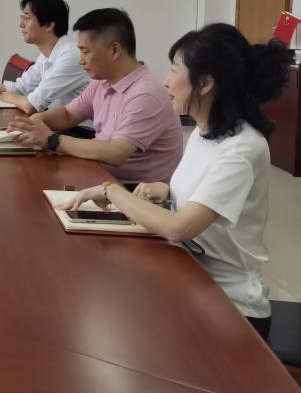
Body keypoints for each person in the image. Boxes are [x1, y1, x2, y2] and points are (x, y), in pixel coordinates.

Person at [57, 24, 291, 339]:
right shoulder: (205, 131)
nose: (166, 80)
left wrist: (111, 191)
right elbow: (206, 198)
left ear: (205, 83)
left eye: (174, 69)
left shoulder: (241, 149)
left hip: (230, 306)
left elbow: (179, 228)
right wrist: (166, 189)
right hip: (191, 275)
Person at [13, 8, 183, 185]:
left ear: (115, 50)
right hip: (99, 176)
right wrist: (36, 122)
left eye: (85, 52)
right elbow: (68, 114)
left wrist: (51, 139)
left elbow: (116, 152)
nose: (81, 60)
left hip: (131, 191)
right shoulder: (102, 82)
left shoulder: (146, 94)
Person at [0, 0, 89, 115]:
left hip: (79, 127)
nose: (21, 24)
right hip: (56, 121)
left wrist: (0, 95)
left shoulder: (70, 56)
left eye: (27, 17)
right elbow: (21, 87)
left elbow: (32, 105)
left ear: (48, 25)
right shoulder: (47, 54)